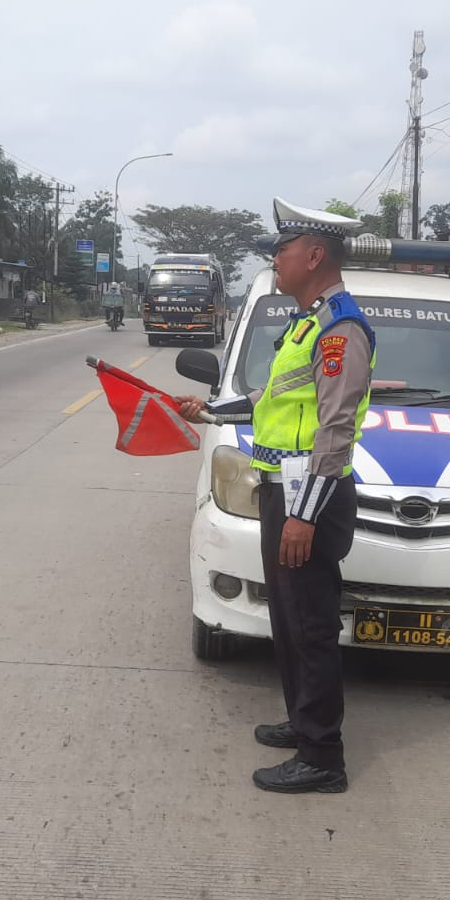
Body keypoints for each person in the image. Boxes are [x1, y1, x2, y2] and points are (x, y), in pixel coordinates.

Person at [174, 198, 375, 794]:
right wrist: (211, 410)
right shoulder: (308, 323)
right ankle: (303, 720)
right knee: (288, 620)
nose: (274, 260)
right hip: (283, 491)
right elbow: (273, 399)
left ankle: (323, 757)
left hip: (309, 498)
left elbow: (335, 429)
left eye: (282, 250)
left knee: (310, 625)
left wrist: (303, 516)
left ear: (314, 256)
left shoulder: (340, 330)